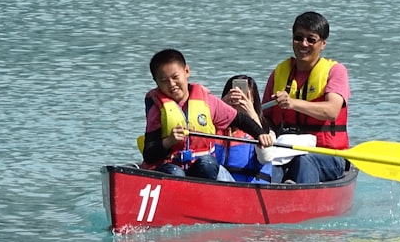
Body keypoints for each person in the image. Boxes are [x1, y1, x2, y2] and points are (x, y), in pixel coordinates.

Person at [139, 49, 274, 179]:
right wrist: (169, 141)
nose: (172, 84)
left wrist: (260, 133)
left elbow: (240, 120)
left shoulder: (207, 101)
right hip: (171, 167)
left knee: (208, 163)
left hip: (202, 167)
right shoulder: (156, 107)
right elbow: (149, 155)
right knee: (175, 173)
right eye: (164, 81)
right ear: (156, 81)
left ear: (186, 71)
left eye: (175, 77)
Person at [261, 11, 349, 184]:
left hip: (327, 154)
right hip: (284, 150)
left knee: (303, 160)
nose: (303, 44)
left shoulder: (336, 72)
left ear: (323, 43)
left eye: (311, 39)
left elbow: (331, 111)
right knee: (266, 164)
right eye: (298, 38)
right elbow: (266, 118)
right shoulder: (279, 73)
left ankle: (300, 204)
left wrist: (293, 103)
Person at [214, 75, 277, 183]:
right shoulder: (212, 127)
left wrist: (252, 115)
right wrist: (220, 106)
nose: (239, 101)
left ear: (253, 102)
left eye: (245, 98)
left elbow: (266, 157)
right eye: (234, 96)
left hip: (247, 190)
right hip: (217, 186)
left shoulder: (268, 132)